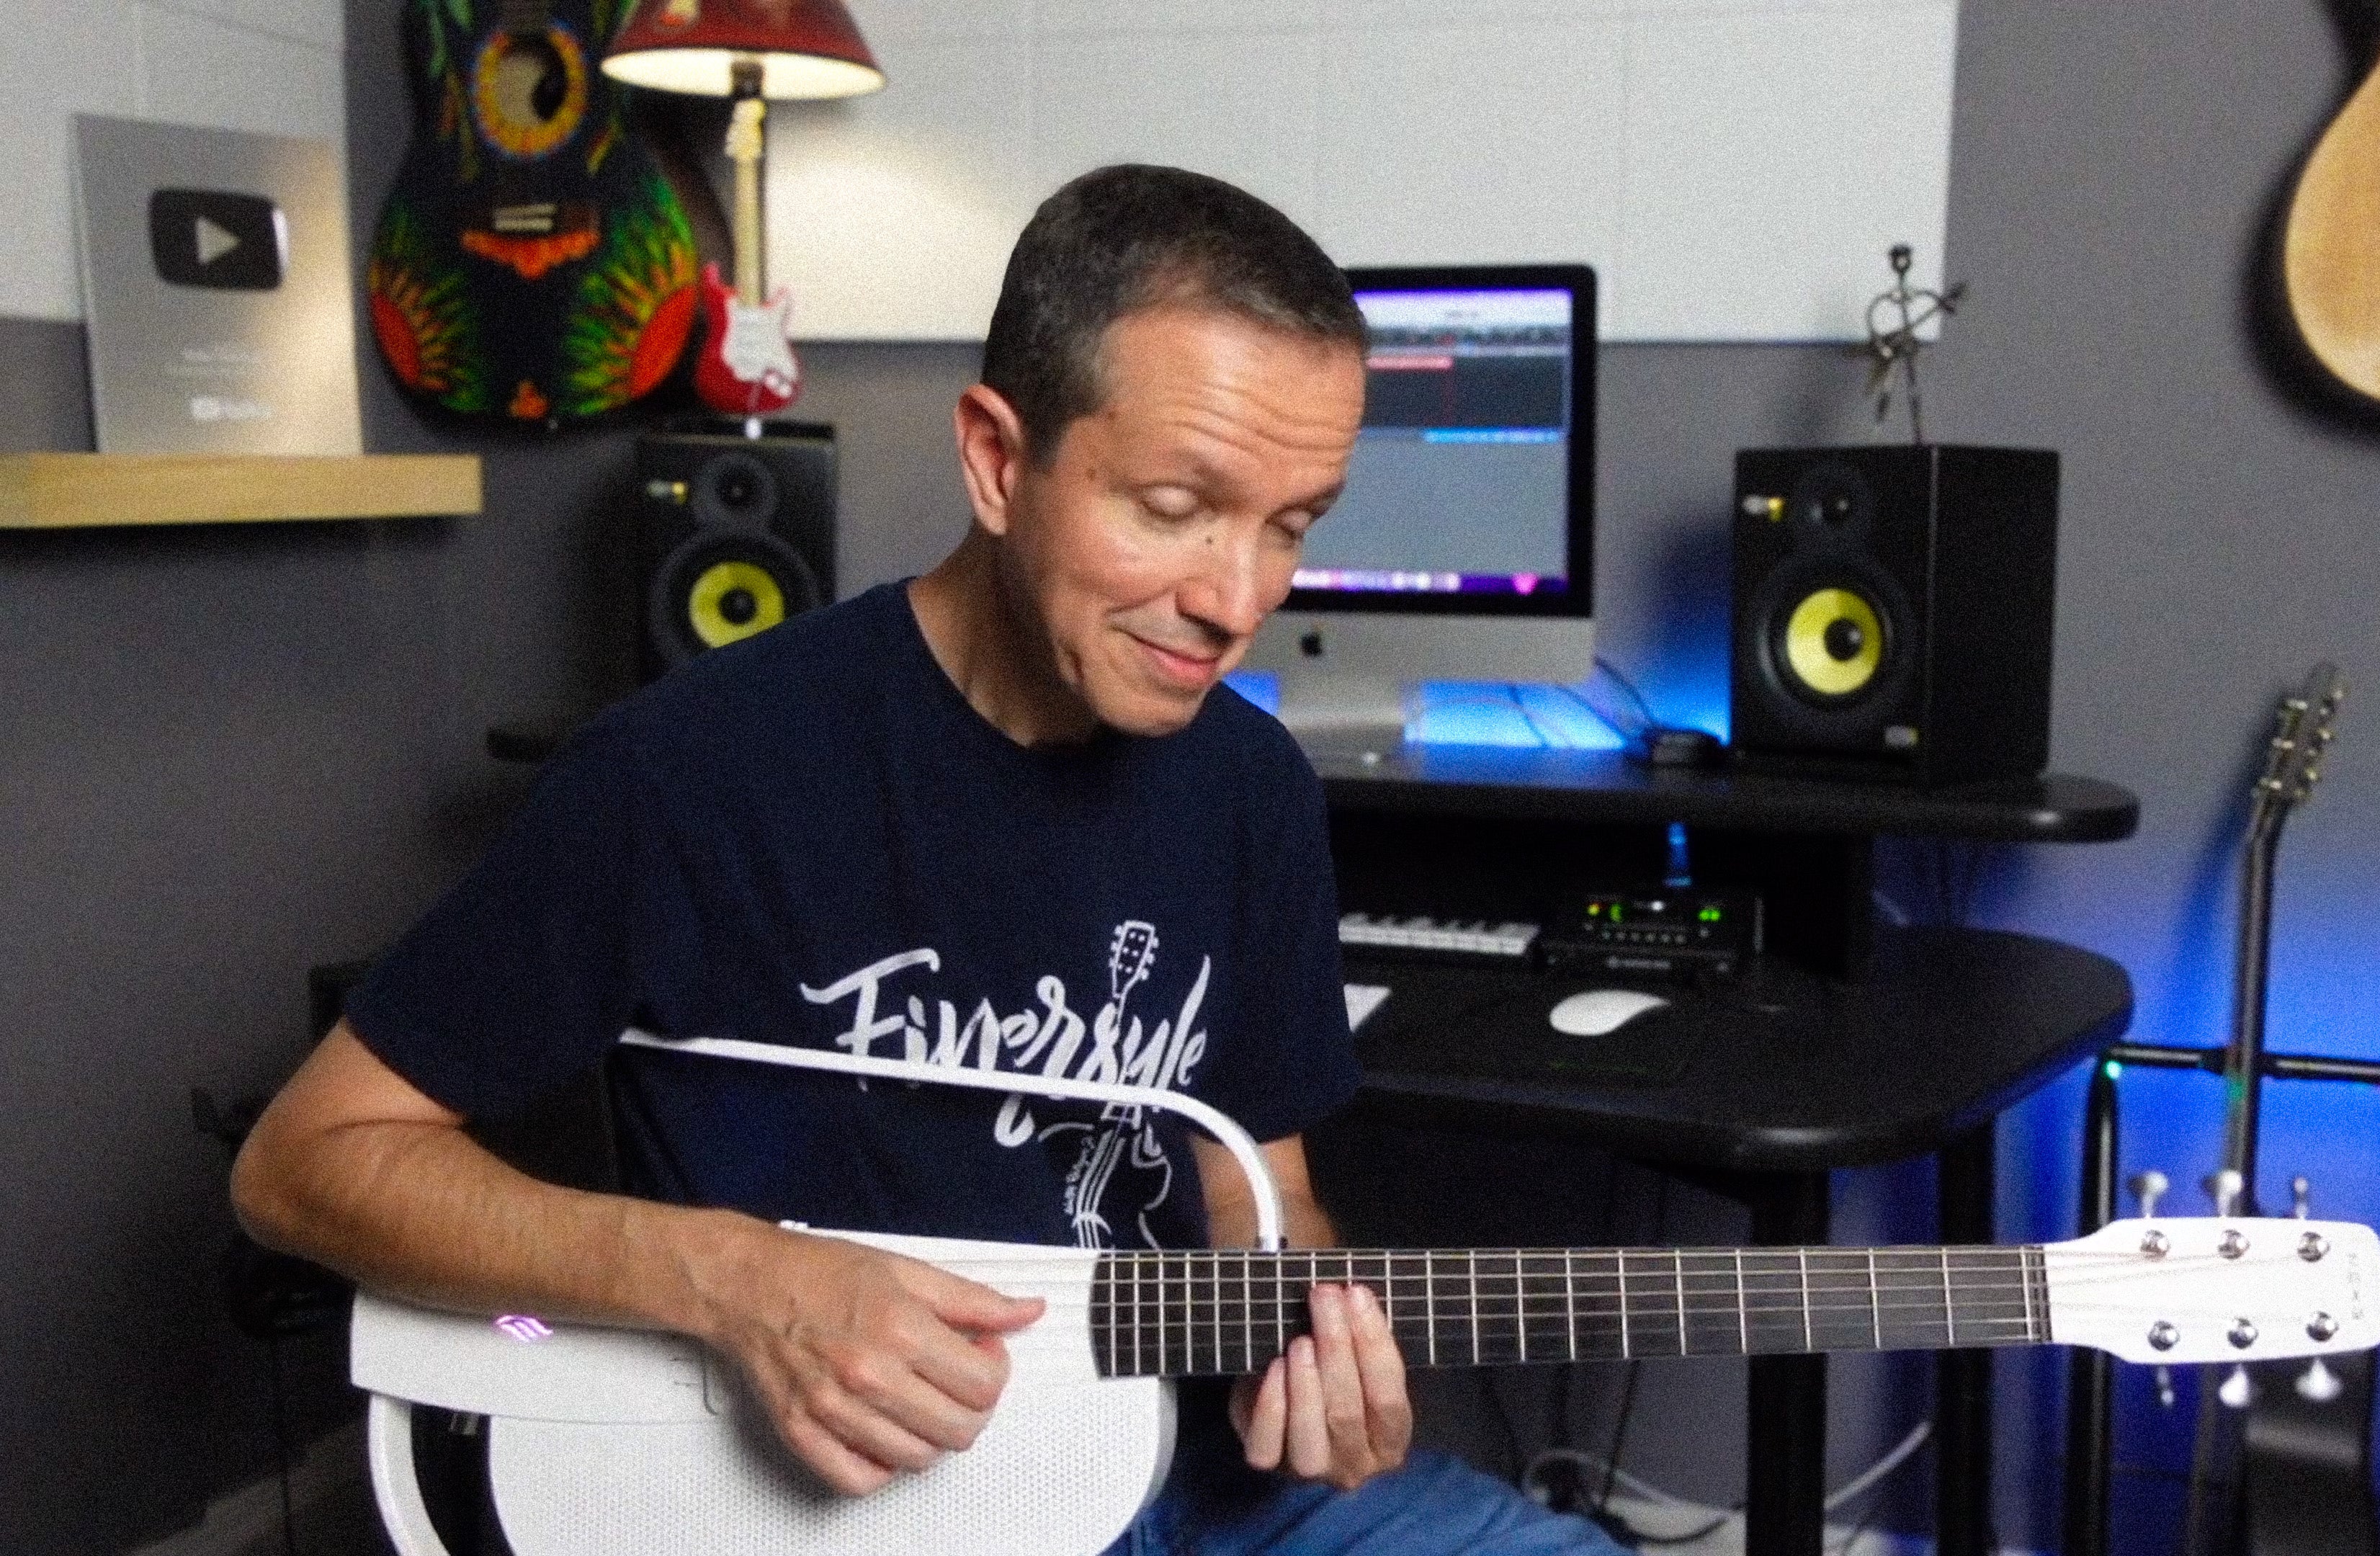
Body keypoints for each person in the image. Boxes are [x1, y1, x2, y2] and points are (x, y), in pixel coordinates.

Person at [231, 164, 1620, 1555]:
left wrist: (1316, 1346)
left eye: (1292, 525)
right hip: (854, 1511)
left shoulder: (1251, 788)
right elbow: (301, 1168)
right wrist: (736, 1280)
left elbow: (1262, 1193)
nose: (1237, 597)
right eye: (1174, 505)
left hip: (1179, 1469)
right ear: (998, 462)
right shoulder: (689, 772)